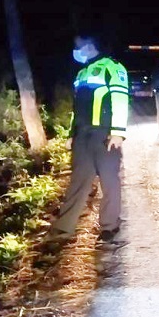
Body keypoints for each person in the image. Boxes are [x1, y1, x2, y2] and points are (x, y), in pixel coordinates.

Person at [44, 35, 129, 248]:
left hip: (105, 135)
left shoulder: (112, 67)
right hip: (82, 136)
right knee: (78, 181)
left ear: (90, 46)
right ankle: (63, 229)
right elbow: (77, 109)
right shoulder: (81, 73)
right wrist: (71, 135)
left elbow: (120, 99)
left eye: (78, 46)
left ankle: (109, 227)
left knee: (109, 182)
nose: (76, 50)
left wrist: (118, 132)